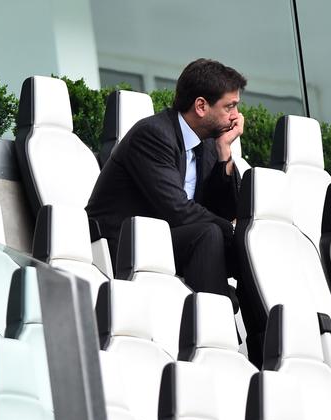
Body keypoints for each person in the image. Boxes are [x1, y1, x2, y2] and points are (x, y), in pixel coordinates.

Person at [86, 58, 246, 300]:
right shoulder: (153, 135)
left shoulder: (210, 145)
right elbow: (178, 210)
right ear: (201, 106)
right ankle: (215, 327)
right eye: (229, 107)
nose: (236, 117)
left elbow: (225, 210)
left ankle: (263, 332)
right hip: (123, 243)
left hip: (166, 239)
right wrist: (230, 231)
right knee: (210, 234)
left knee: (253, 247)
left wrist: (225, 152)